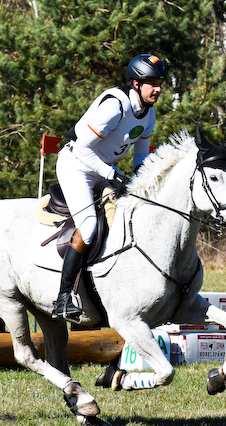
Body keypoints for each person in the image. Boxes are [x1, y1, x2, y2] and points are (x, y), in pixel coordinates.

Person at [52, 54, 168, 321]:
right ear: (136, 84)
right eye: (152, 83)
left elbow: (140, 158)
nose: (158, 89)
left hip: (102, 168)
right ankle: (64, 298)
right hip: (75, 165)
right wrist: (111, 175)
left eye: (160, 83)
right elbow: (82, 148)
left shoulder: (148, 114)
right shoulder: (116, 107)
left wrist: (151, 180)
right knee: (89, 227)